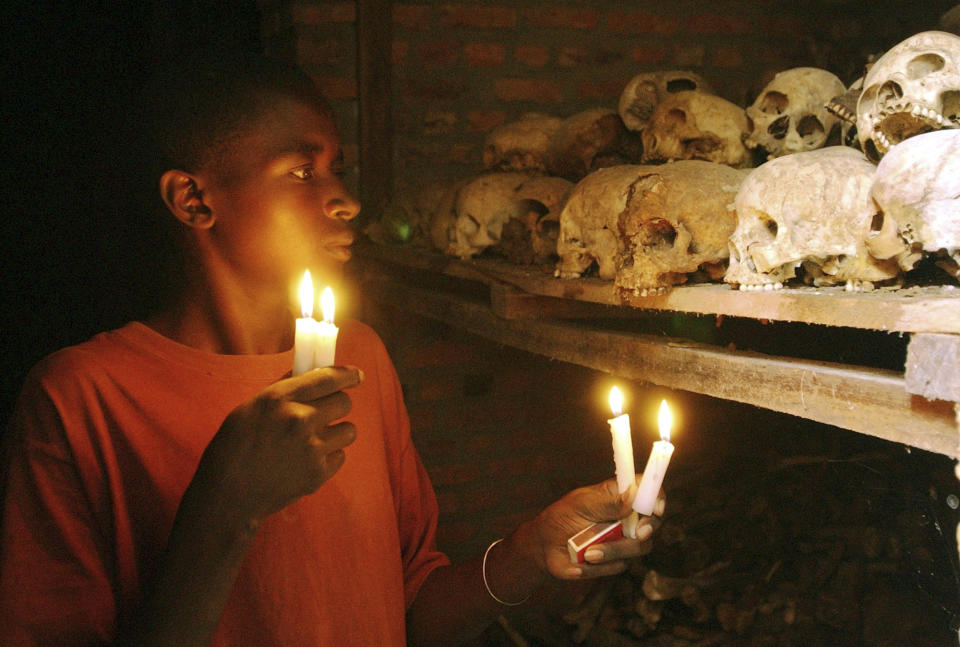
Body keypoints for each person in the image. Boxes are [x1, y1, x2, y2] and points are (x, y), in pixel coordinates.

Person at [0, 53, 664, 646]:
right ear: (194, 199)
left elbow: (410, 612)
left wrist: (527, 550)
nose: (344, 200)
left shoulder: (361, 360)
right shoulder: (78, 401)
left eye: (338, 169)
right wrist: (228, 509)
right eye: (301, 171)